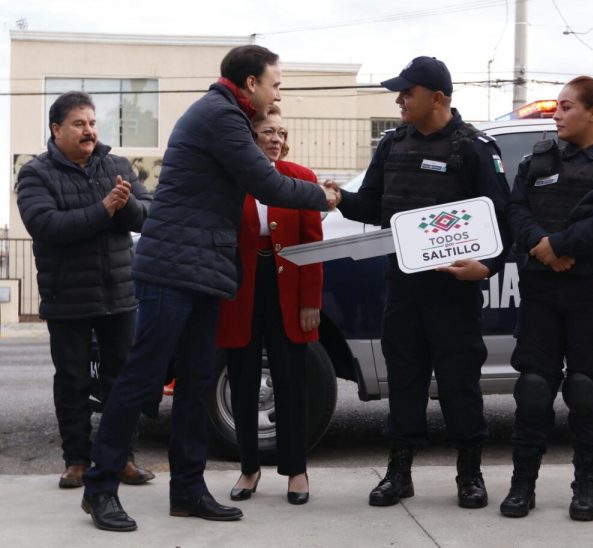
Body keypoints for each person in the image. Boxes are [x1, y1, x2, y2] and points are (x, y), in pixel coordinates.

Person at [81, 45, 338, 532]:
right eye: (275, 83)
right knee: (141, 380)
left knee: (198, 383)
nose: (278, 92)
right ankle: (99, 488)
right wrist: (326, 196)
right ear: (249, 85)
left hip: (203, 271)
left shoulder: (230, 116)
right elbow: (268, 184)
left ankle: (188, 489)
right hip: (172, 269)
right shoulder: (220, 116)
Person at [328, 56, 511, 509]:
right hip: (404, 288)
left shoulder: (474, 148)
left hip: (455, 293)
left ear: (439, 98)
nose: (399, 100)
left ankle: (469, 474)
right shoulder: (392, 145)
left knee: (459, 385)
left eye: (407, 93)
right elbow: (374, 205)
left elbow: (502, 220)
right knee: (405, 382)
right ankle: (399, 472)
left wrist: (486, 266)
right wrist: (340, 199)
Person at [503, 76, 593, 521]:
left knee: (585, 389)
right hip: (543, 289)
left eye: (566, 107)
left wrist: (558, 246)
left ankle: (586, 487)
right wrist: (541, 243)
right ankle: (522, 484)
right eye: (557, 107)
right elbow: (515, 210)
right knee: (533, 389)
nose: (557, 115)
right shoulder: (537, 160)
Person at [16, 91, 155, 490]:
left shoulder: (116, 166)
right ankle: (76, 461)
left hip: (119, 294)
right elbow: (46, 226)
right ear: (57, 129)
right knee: (73, 381)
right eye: (79, 124)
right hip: (67, 298)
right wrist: (105, 209)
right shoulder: (35, 174)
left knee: (122, 381)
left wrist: (124, 206)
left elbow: (149, 216)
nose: (89, 131)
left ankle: (122, 459)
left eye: (93, 123)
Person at [216, 104, 322, 505]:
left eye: (281, 132)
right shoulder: (229, 180)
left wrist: (310, 300)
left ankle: (297, 472)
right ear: (250, 137)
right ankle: (248, 469)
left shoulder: (301, 179)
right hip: (240, 291)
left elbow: (313, 244)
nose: (276, 139)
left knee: (292, 381)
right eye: (267, 132)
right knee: (241, 381)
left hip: (289, 290)